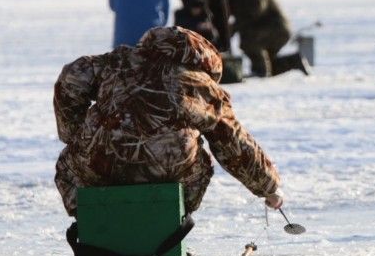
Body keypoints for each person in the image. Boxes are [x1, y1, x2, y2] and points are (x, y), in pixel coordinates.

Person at [54, 26, 285, 221]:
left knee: (69, 164)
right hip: (167, 173)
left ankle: (93, 224)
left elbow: (72, 77)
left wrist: (73, 132)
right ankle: (169, 224)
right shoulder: (200, 82)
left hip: (100, 164)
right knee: (200, 162)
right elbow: (232, 140)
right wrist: (268, 187)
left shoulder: (118, 61)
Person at [209, 0, 310, 78]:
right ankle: (294, 61)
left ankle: (261, 72)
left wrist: (233, 28)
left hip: (276, 27)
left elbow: (255, 9)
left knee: (248, 41)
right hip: (270, 29)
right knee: (269, 64)